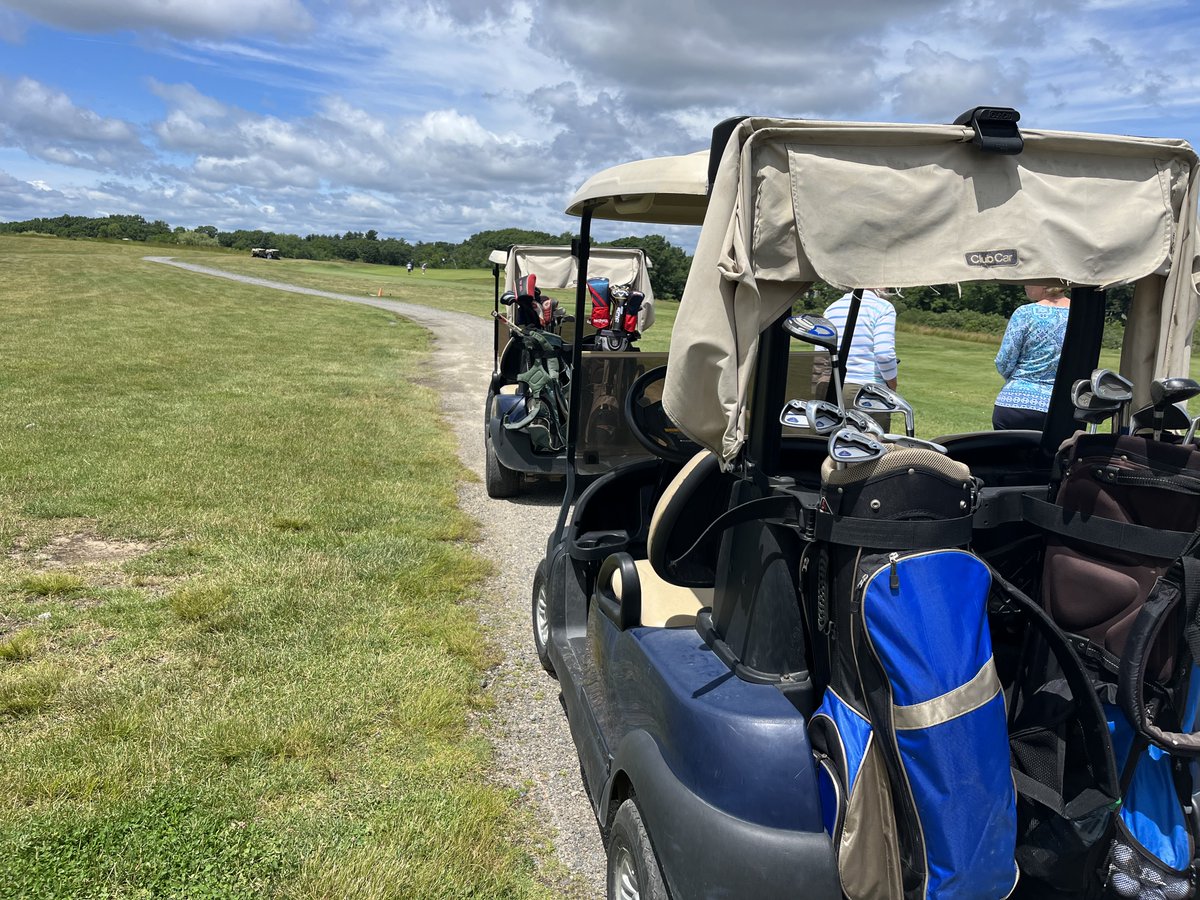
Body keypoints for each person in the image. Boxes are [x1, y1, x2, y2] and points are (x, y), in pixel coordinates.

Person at [992, 284, 1071, 430]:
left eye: (1031, 279)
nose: (1025, 284)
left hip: (1014, 405)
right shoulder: (1081, 316)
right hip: (1060, 409)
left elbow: (1004, 361)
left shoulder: (1025, 313)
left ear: (1045, 283)